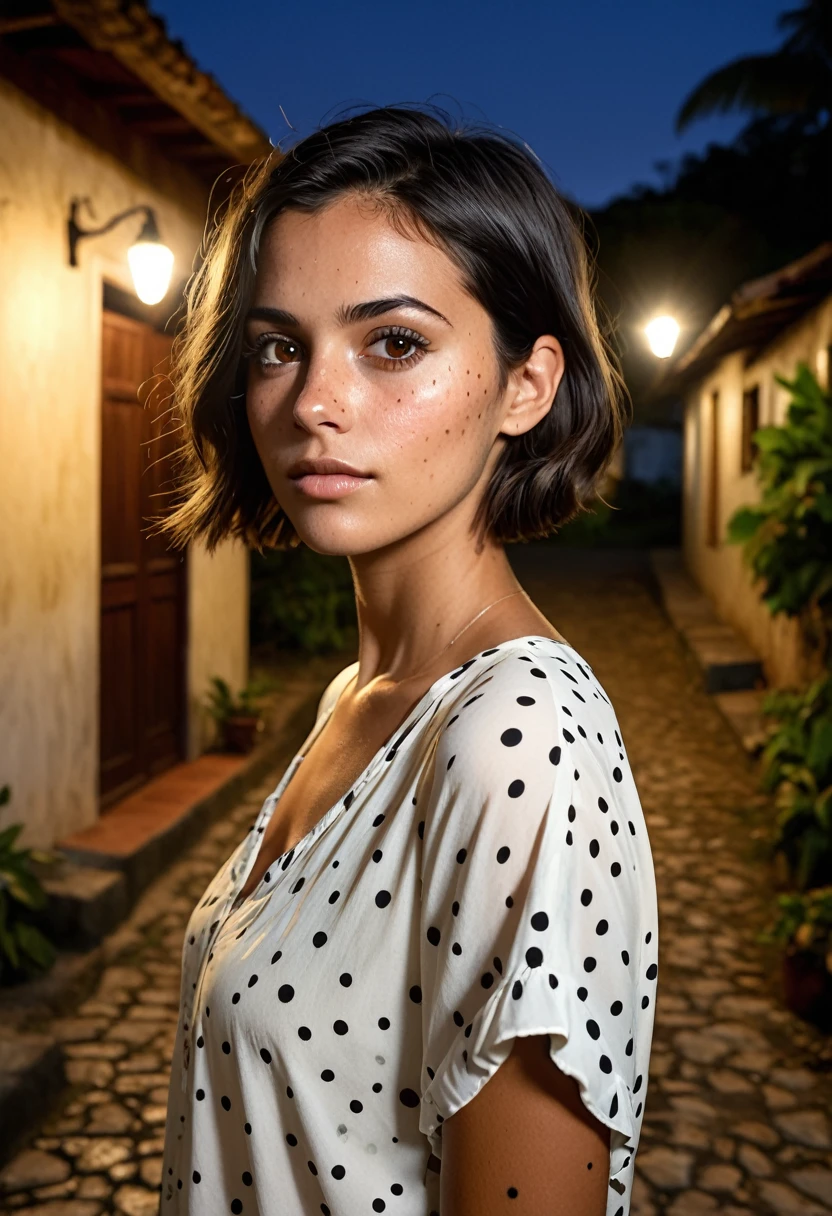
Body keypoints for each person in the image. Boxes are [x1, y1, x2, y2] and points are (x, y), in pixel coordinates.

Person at [158, 103, 658, 1216]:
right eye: (279, 346)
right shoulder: (362, 696)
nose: (315, 403)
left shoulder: (516, 736)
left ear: (526, 385)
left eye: (393, 343)